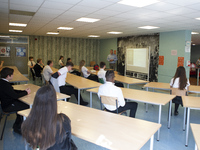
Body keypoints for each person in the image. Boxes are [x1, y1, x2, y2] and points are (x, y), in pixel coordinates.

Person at [21, 85, 77, 150]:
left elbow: (34, 144)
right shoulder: (63, 120)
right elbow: (68, 139)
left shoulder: (28, 122)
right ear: (54, 102)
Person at [0, 67, 30, 134]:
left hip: (6, 103)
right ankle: (18, 127)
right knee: (26, 106)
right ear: (8, 76)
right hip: (7, 105)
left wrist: (24, 91)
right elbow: (15, 96)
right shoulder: (5, 85)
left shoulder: (3, 82)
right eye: (12, 74)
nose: (13, 75)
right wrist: (26, 93)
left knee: (22, 105)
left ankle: (17, 125)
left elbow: (12, 91)